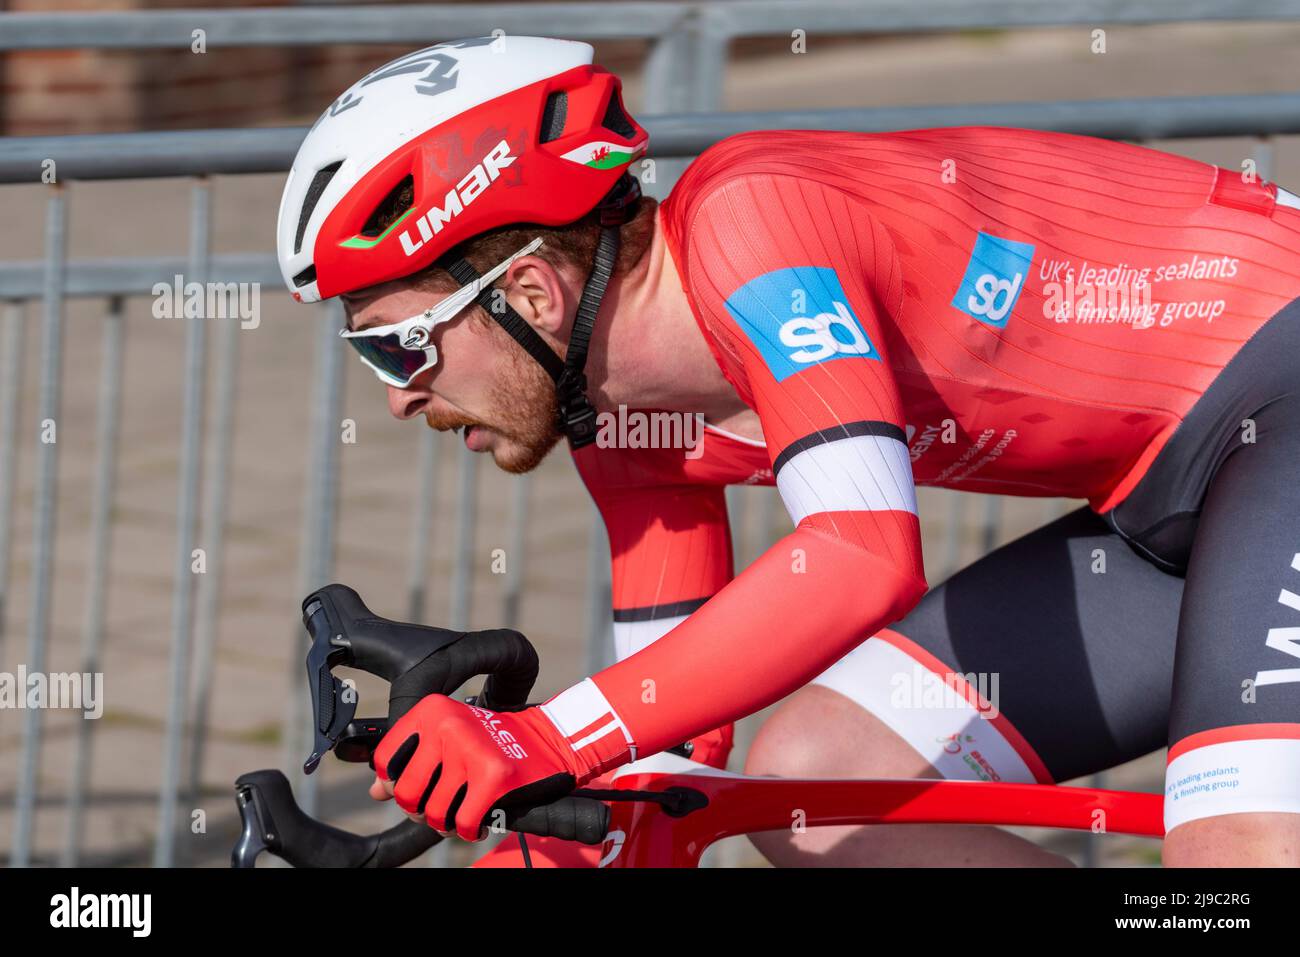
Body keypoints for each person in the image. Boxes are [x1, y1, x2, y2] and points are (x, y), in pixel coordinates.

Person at [277, 35, 1300, 867]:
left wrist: (545, 738)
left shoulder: (758, 220)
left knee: (1235, 849)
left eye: (395, 346)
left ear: (533, 295)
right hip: (1170, 513)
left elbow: (859, 552)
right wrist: (567, 830)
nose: (400, 398)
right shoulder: (626, 423)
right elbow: (671, 748)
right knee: (814, 783)